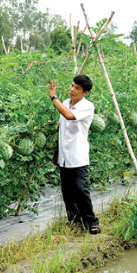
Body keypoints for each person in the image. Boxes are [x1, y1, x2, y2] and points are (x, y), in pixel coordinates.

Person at [48, 75, 100, 234]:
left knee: (81, 190)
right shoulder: (65, 103)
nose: (72, 89)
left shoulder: (87, 106)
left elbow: (69, 116)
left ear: (85, 93)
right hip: (64, 156)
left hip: (77, 157)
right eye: (72, 86)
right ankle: (74, 221)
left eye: (77, 88)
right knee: (68, 193)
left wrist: (53, 97)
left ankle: (92, 222)